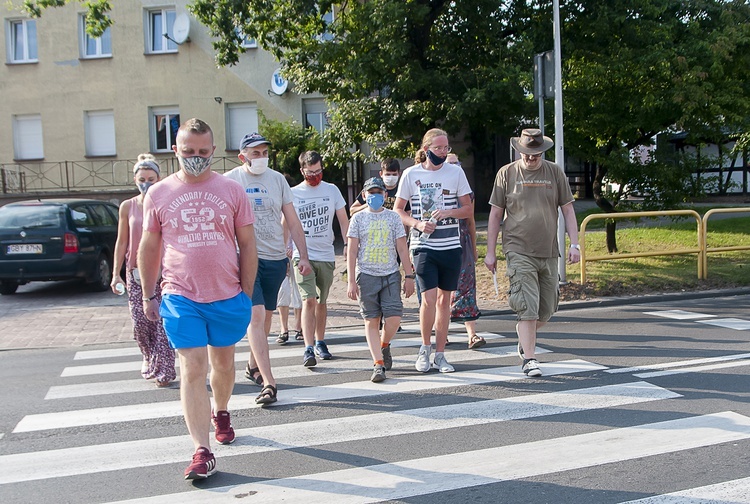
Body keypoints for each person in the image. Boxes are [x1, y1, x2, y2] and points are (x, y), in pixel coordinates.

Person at [138, 118, 257, 480]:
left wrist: (246, 293)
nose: (196, 158)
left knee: (223, 365)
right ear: (175, 150)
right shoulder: (157, 193)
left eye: (203, 152)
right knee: (192, 367)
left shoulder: (231, 189)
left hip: (226, 294)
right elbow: (149, 246)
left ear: (213, 151)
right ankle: (201, 451)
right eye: (188, 152)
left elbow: (248, 244)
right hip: (180, 294)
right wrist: (148, 293)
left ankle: (220, 409)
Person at [484, 128, 580, 377]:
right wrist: (491, 252)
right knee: (527, 306)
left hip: (548, 250)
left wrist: (575, 244)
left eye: (535, 154)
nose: (530, 158)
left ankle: (524, 338)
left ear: (542, 151)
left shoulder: (554, 172)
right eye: (526, 153)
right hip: (518, 248)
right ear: (520, 150)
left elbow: (568, 210)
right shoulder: (506, 173)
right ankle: (530, 358)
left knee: (546, 309)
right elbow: (495, 214)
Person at [224, 133, 312, 405]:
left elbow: (293, 221)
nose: (261, 157)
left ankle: (252, 366)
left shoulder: (277, 180)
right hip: (246, 258)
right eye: (255, 153)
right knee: (256, 315)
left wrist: (303, 257)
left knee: (268, 315)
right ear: (242, 156)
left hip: (275, 258)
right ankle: (269, 382)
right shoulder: (229, 181)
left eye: (264, 152)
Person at [394, 128, 473, 374]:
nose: (442, 152)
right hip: (423, 245)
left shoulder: (456, 172)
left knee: (444, 301)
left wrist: (449, 212)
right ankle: (424, 348)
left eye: (446, 147)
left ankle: (440, 354)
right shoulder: (411, 173)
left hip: (450, 245)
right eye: (438, 148)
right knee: (427, 300)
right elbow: (398, 210)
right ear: (426, 149)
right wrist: (417, 224)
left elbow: (468, 209)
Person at [111, 154, 176, 387]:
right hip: (135, 272)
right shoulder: (127, 206)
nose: (146, 183)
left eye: (151, 178)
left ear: (159, 179)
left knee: (162, 323)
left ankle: (165, 370)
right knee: (141, 323)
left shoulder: (165, 203)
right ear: (135, 180)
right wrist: (115, 273)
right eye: (142, 178)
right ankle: (148, 355)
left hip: (163, 272)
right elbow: (121, 241)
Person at [346, 177, 415, 382]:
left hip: (390, 274)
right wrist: (351, 280)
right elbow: (351, 251)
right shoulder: (358, 219)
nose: (374, 196)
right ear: (365, 195)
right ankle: (378, 364)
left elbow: (402, 247)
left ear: (385, 195)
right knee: (371, 319)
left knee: (394, 318)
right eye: (371, 192)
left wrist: (409, 275)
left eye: (379, 192)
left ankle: (384, 345)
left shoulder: (393, 218)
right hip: (366, 275)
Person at [290, 151, 349, 367]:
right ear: (302, 171)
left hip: (326, 253)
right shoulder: (294, 193)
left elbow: (343, 219)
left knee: (322, 301)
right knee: (309, 300)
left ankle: (320, 341)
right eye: (310, 172)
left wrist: (348, 243)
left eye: (318, 171)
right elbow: (285, 222)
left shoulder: (331, 190)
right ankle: (307, 347)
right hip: (302, 255)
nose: (315, 175)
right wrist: (285, 247)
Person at [445, 153, 484, 350]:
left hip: (463, 241)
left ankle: (472, 334)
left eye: (457, 162)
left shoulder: (468, 193)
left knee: (467, 287)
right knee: (441, 290)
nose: (454, 166)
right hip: (441, 242)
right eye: (450, 163)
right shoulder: (438, 188)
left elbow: (471, 220)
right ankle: (441, 333)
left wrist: (474, 248)